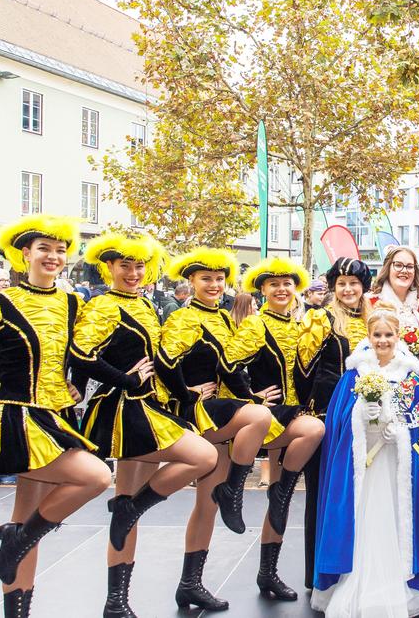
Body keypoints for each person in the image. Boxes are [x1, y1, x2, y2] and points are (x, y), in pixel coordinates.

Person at [0, 214, 113, 618]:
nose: (53, 256)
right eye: (44, 249)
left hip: (55, 415)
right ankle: (18, 539)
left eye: (60, 250)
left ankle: (17, 602)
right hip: (17, 415)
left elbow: (77, 355)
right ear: (24, 253)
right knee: (98, 476)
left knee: (24, 518)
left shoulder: (71, 302)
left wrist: (75, 383)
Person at [69, 232, 217, 617]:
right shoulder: (103, 304)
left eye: (138, 266)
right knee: (202, 457)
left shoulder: (146, 304)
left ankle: (116, 600)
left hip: (147, 406)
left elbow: (161, 359)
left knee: (127, 500)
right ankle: (130, 515)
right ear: (109, 267)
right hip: (125, 409)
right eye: (125, 266)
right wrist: (126, 379)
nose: (133, 273)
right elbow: (81, 355)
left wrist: (186, 393)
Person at [155, 247, 274, 611]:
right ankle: (233, 490)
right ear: (190, 281)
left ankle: (190, 583)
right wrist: (185, 394)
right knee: (257, 421)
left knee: (205, 503)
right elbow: (165, 362)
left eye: (219, 279)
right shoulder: (183, 317)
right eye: (206, 278)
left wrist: (248, 395)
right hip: (201, 413)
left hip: (222, 411)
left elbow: (230, 369)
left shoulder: (224, 318)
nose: (214, 284)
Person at [312, 305, 419, 617]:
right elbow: (340, 422)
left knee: (399, 518)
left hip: (397, 464)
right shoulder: (354, 375)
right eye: (377, 335)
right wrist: (364, 417)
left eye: (388, 334)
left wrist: (397, 432)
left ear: (398, 337)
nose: (383, 340)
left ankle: (402, 580)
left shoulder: (410, 376)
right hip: (365, 467)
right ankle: (354, 580)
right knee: (364, 517)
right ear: (368, 337)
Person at [223, 256, 326, 601]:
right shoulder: (255, 325)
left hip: (295, 414)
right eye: (274, 285)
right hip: (279, 419)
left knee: (278, 507)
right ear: (262, 290)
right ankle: (276, 488)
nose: (282, 290)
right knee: (314, 433)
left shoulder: (299, 324)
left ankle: (268, 573)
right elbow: (228, 362)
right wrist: (250, 397)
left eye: (287, 284)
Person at [294, 256, 371, 589]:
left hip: (367, 422)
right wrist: (306, 410)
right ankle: (318, 574)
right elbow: (302, 369)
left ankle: (355, 571)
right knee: (321, 494)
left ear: (363, 287)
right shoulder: (320, 318)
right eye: (342, 283)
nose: (348, 289)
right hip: (326, 419)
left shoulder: (372, 321)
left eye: (354, 283)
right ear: (333, 287)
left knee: (358, 495)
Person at [370, 246, 419, 363]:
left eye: (410, 267)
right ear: (388, 267)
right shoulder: (371, 302)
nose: (404, 270)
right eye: (398, 265)